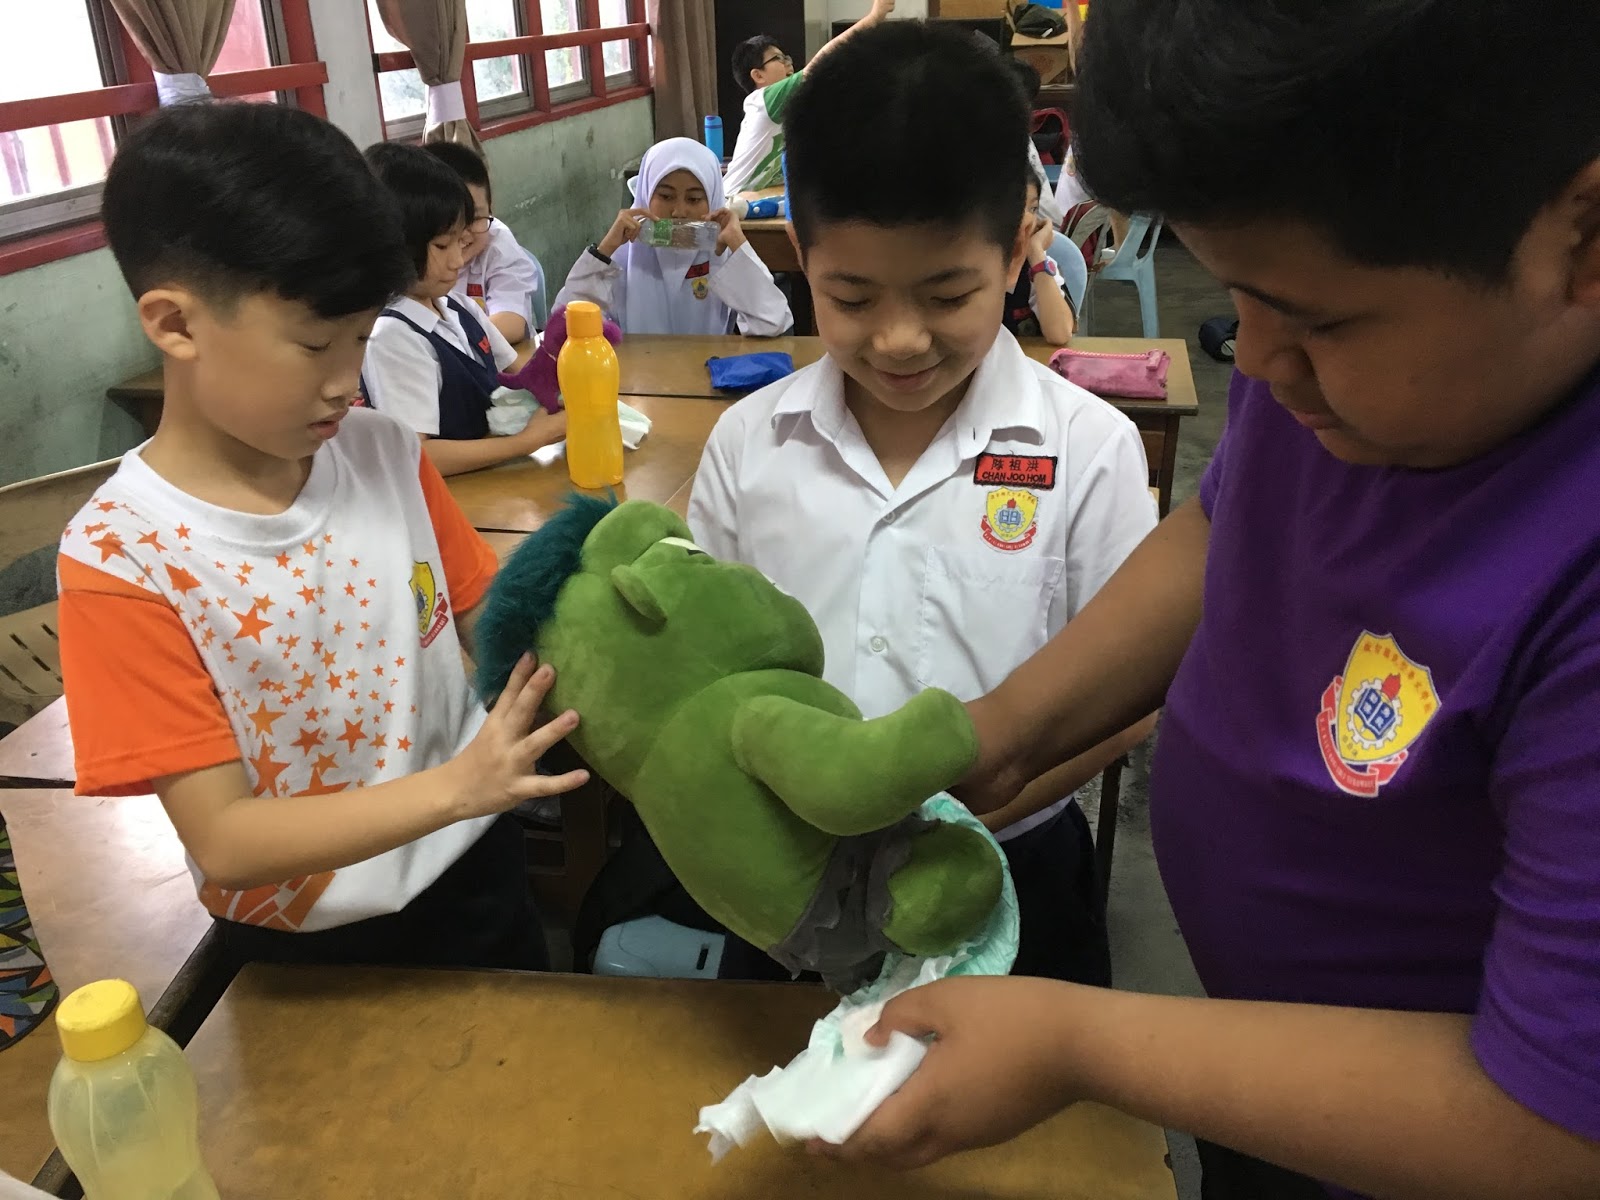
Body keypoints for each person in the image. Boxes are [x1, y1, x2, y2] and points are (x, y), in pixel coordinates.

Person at [817, 3, 1600, 1198]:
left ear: (1582, 238)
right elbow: (1223, 525)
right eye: (1240, 293)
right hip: (1264, 1078)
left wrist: (1076, 1043)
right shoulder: (1355, 378)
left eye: (1320, 319)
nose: (1260, 361)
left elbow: (1551, 1127)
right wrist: (1000, 731)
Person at [55, 102, 590, 974]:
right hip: (307, 942)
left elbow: (490, 622)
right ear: (175, 323)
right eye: (314, 346)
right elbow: (224, 838)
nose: (348, 382)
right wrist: (459, 786)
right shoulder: (124, 557)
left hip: (475, 868)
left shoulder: (384, 453)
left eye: (363, 338)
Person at [688, 21, 1155, 986]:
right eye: (853, 299)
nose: (900, 340)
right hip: (792, 881)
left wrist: (969, 814)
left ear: (1017, 248)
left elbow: (1128, 698)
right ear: (801, 257)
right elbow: (706, 676)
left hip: (1010, 871)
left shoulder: (1088, 448)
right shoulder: (749, 446)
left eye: (946, 296)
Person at [361, 143, 565, 476]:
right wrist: (527, 441)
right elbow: (417, 457)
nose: (458, 260)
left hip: (494, 479)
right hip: (455, 495)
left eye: (460, 241)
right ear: (392, 243)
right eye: (442, 245)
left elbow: (521, 375)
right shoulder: (393, 336)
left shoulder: (458, 305)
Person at [557, 137, 792, 336]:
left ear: (712, 200)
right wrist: (605, 249)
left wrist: (738, 244)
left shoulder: (721, 253)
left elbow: (774, 322)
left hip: (708, 372)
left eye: (694, 199)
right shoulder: (621, 256)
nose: (679, 212)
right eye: (666, 196)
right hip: (636, 374)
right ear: (646, 194)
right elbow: (565, 324)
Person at [722, 0, 897, 197]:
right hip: (732, 204)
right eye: (778, 59)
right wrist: (873, 18)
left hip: (762, 204)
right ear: (758, 75)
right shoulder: (761, 102)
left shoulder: (793, 109)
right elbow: (823, 63)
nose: (789, 64)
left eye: (787, 58)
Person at [423, 140, 542, 344]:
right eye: (450, 221)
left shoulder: (498, 246)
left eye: (476, 217)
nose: (463, 233)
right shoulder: (411, 250)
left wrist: (444, 346)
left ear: (490, 207)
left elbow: (511, 324)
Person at [1005, 176, 1077, 344]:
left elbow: (1060, 334)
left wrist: (1036, 253)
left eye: (1033, 209)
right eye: (1015, 208)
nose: (1027, 220)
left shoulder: (1036, 266)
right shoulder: (966, 264)